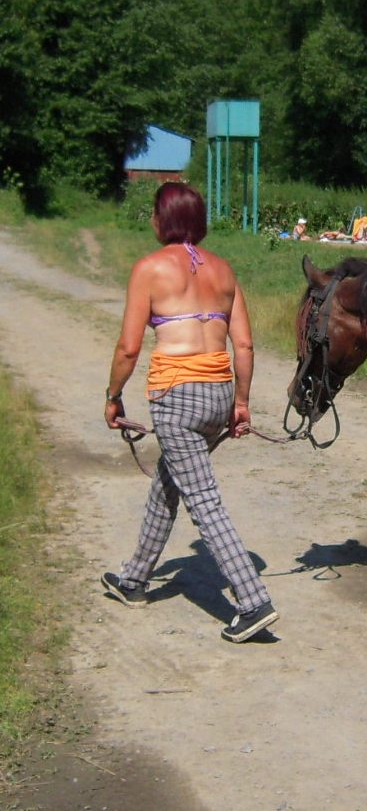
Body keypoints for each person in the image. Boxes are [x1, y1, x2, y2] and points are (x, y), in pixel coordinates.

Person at [102, 182, 279, 644]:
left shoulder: (149, 269)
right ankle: (134, 579)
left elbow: (128, 347)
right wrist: (241, 403)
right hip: (219, 395)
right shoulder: (224, 270)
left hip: (176, 397)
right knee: (169, 484)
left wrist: (113, 395)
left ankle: (253, 601)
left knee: (202, 499)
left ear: (162, 219)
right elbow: (244, 344)